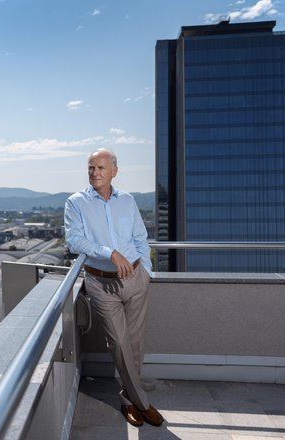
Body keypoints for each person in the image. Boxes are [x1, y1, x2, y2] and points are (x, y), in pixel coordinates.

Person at [64, 148, 164, 428]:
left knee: (135, 345)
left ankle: (127, 400)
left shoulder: (127, 201)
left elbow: (141, 238)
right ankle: (142, 403)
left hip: (135, 279)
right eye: (91, 168)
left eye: (101, 168)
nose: (95, 173)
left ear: (114, 171)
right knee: (118, 343)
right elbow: (74, 241)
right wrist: (109, 253)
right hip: (100, 282)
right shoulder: (76, 203)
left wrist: (147, 273)